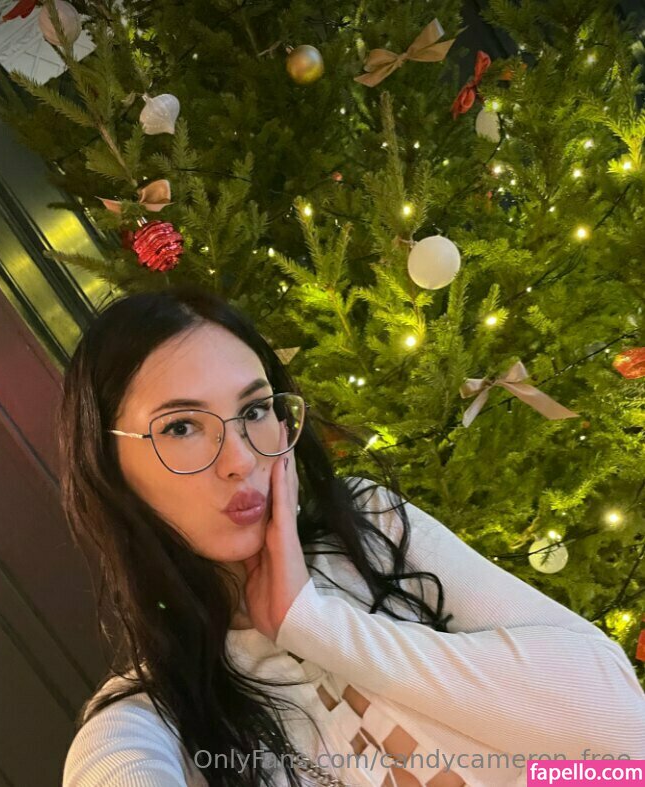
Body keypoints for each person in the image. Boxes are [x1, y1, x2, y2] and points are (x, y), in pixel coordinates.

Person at [60, 284, 644, 787]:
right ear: (109, 467)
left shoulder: (368, 527)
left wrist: (315, 624)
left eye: (256, 410)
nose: (240, 459)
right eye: (182, 427)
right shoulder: (146, 718)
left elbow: (625, 738)